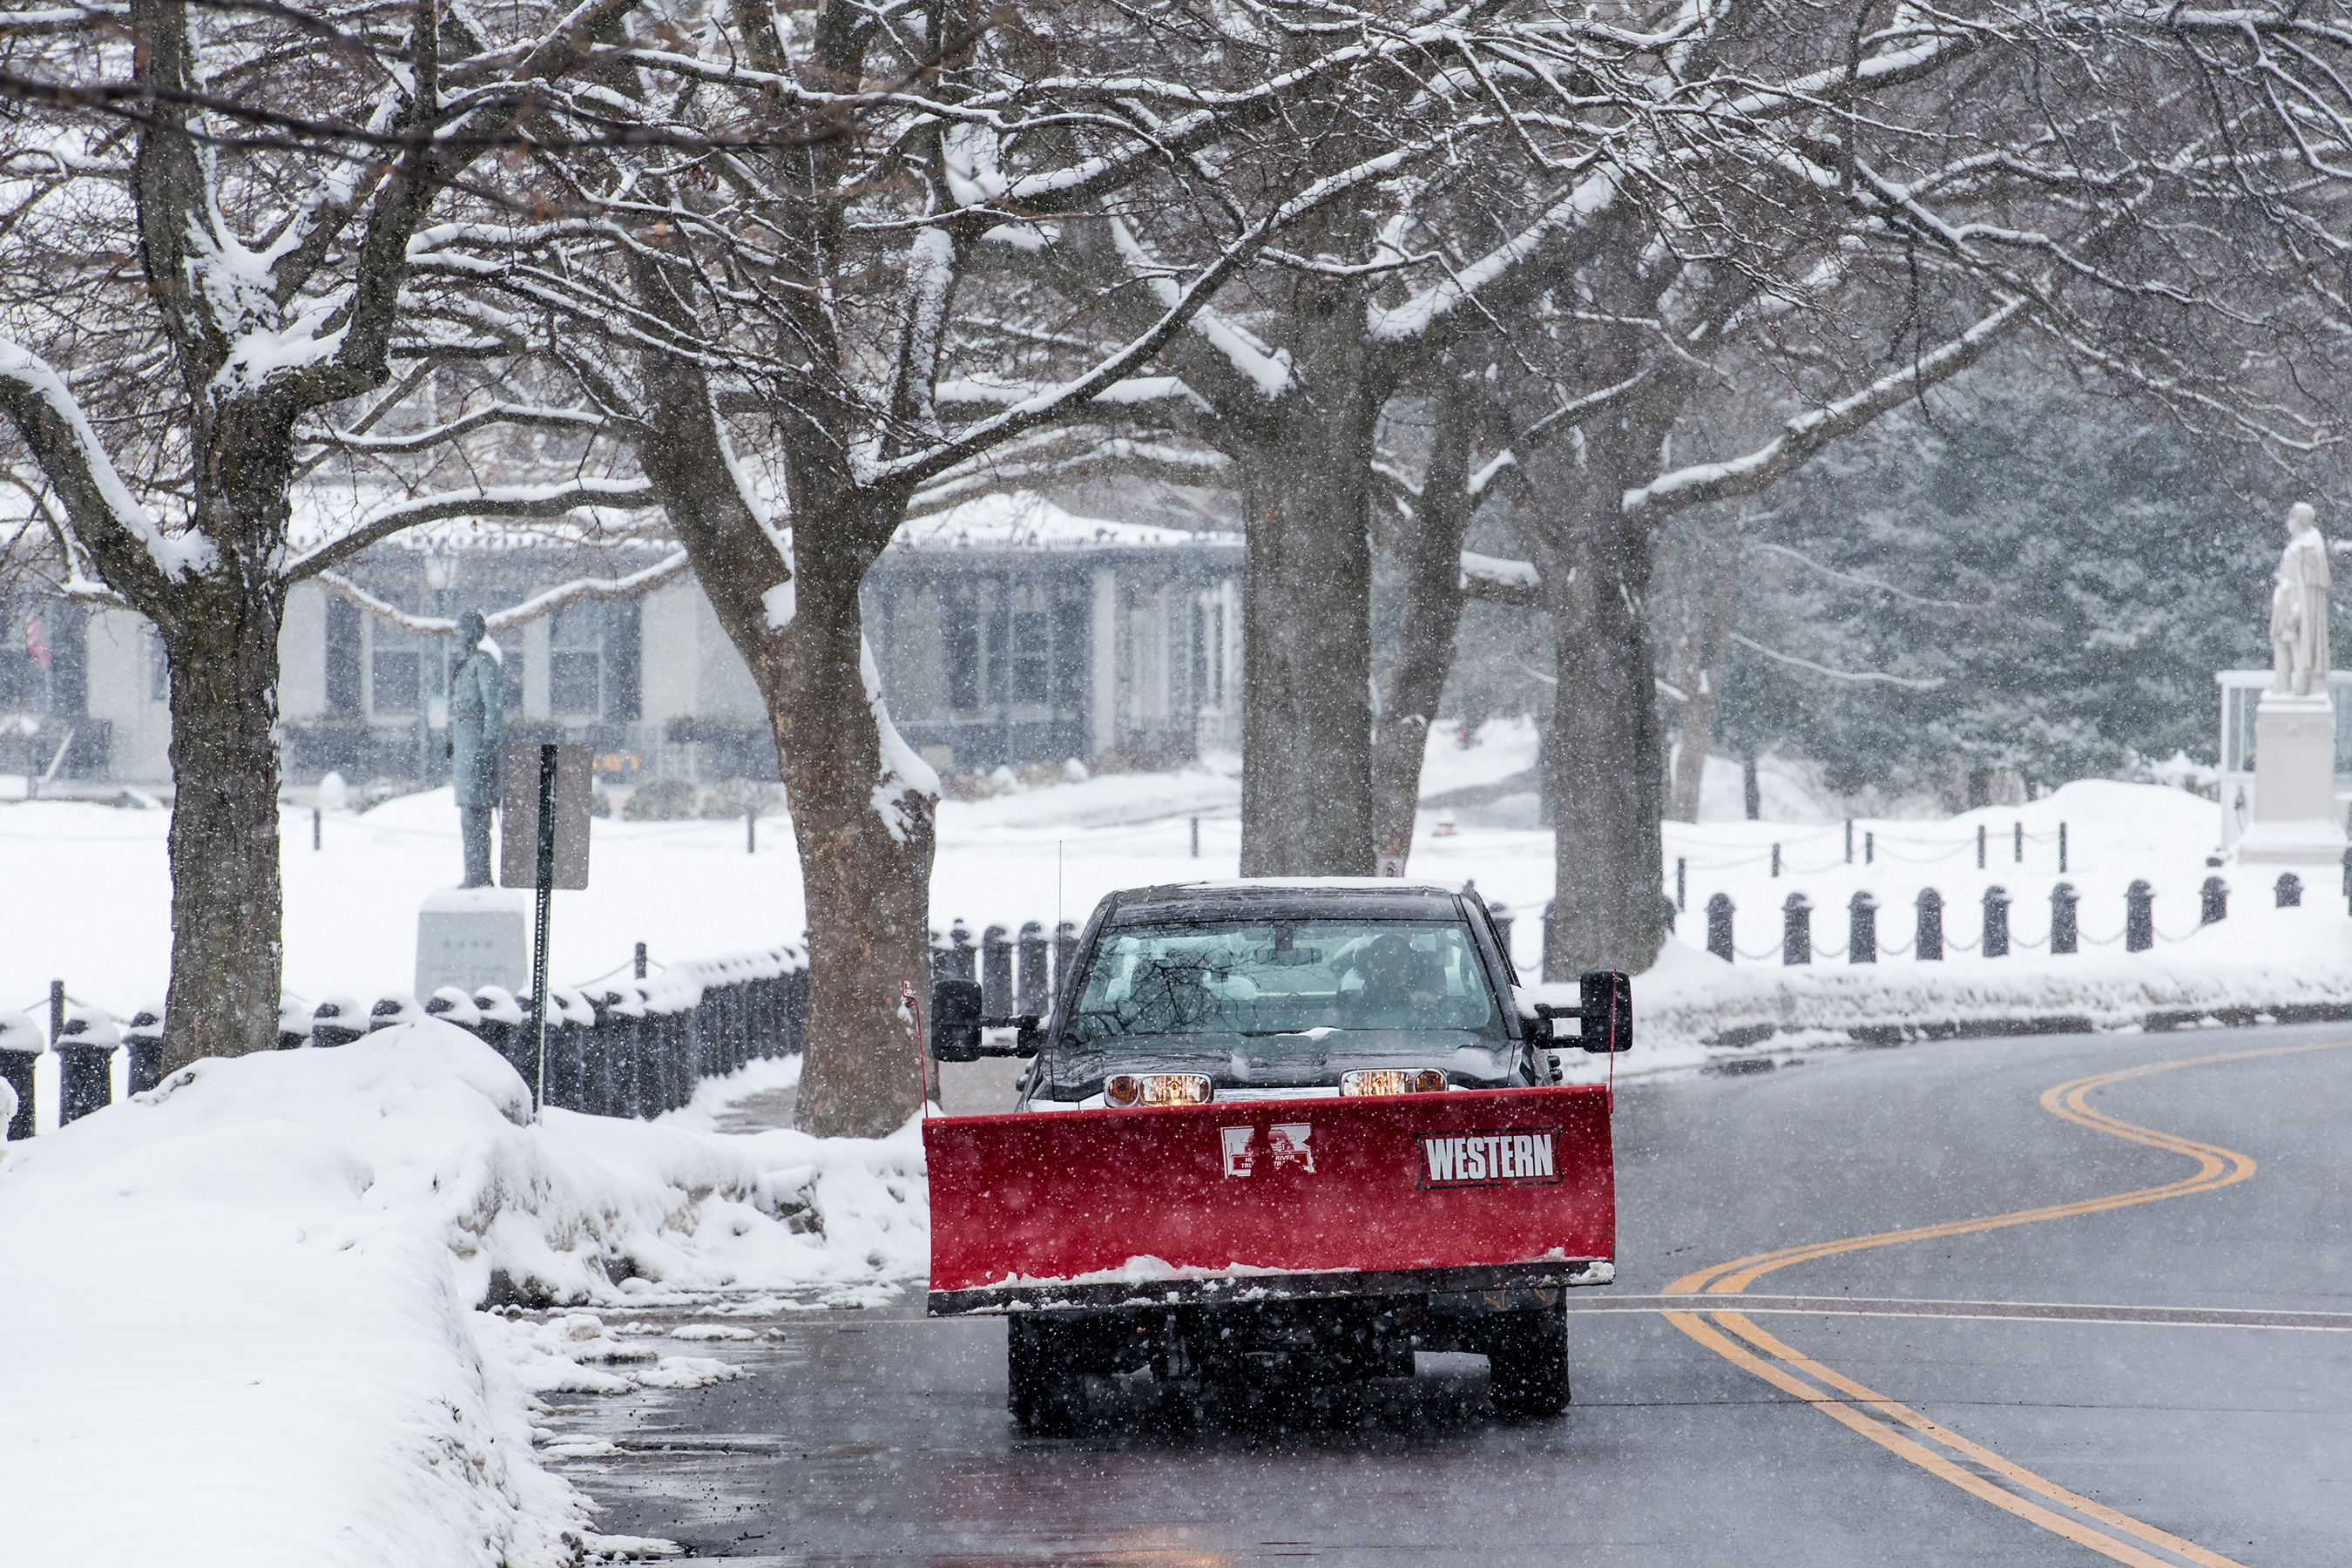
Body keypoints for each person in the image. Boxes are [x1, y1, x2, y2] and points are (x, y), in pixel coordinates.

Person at [448, 610, 504, 886]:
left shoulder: (484, 664)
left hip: (478, 755)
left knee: (477, 820)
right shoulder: (465, 666)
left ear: (473, 633)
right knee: (469, 819)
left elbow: (494, 710)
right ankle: (473, 874)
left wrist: (486, 748)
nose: (456, 636)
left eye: (461, 630)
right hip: (465, 755)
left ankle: (480, 877)